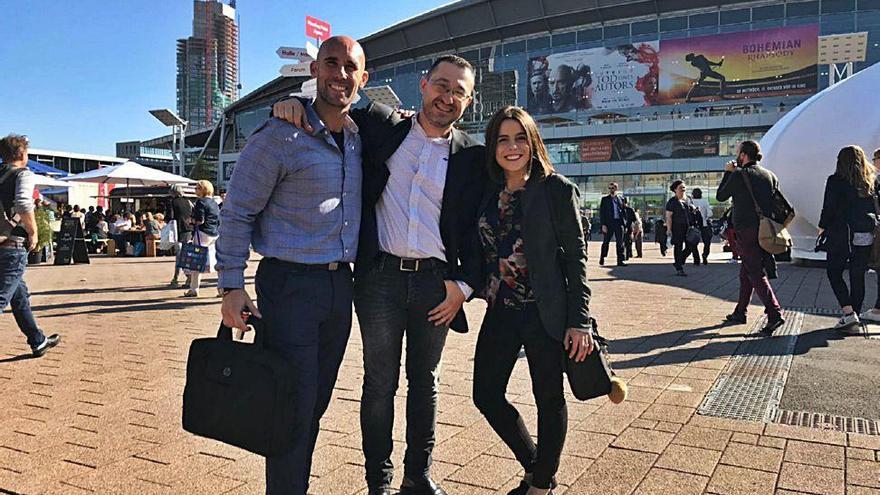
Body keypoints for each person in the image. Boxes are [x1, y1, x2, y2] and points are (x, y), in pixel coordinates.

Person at [273, 54, 486, 495]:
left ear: (469, 101)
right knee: (379, 383)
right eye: (441, 85)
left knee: (425, 383)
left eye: (458, 91)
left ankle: (418, 475)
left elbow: (486, 232)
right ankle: (380, 481)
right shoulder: (380, 125)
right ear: (424, 85)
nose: (447, 97)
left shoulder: (473, 156)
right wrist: (292, 99)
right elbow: (334, 96)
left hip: (436, 285)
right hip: (380, 279)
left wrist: (464, 287)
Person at [217, 36, 368, 495]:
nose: (340, 74)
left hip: (340, 288)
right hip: (289, 287)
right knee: (292, 405)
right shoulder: (278, 136)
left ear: (364, 77)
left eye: (350, 67)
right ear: (314, 70)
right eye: (331, 63)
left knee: (314, 404)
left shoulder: (361, 139)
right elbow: (237, 210)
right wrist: (230, 286)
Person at [473, 106, 593, 495]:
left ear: (533, 142)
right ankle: (537, 463)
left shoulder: (557, 189)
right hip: (502, 309)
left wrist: (580, 321)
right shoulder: (488, 192)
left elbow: (576, 258)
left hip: (545, 310)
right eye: (503, 139)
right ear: (493, 146)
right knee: (485, 394)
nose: (512, 147)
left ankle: (540, 485)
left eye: (520, 138)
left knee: (548, 397)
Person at [0, 134, 60, 357]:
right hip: (12, 244)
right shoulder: (23, 174)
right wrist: (33, 232)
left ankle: (38, 341)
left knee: (19, 295)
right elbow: (24, 203)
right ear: (23, 154)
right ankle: (37, 341)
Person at [716, 140, 784, 334]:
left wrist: (728, 172)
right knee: (746, 271)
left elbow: (721, 195)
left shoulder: (739, 174)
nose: (737, 156)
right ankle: (740, 311)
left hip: (746, 229)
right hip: (765, 229)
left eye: (738, 153)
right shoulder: (769, 175)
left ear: (743, 155)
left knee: (754, 271)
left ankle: (774, 313)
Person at [819, 146, 880, 332]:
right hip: (866, 233)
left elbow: (828, 207)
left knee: (834, 272)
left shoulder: (835, 180)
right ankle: (855, 313)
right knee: (857, 275)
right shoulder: (870, 181)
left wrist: (822, 227)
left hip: (842, 234)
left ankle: (848, 312)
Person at [184, 180, 220, 297]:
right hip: (214, 233)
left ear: (202, 190)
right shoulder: (214, 203)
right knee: (216, 261)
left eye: (197, 188)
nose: (195, 190)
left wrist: (191, 221)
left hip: (202, 233)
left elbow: (200, 220)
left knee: (196, 262)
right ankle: (222, 288)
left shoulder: (200, 202)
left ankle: (194, 289)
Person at [666, 180, 697, 276]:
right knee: (678, 247)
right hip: (677, 227)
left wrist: (694, 210)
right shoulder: (672, 202)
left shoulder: (688, 199)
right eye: (680, 188)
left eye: (684, 188)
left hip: (688, 227)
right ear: (675, 190)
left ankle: (679, 261)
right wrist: (669, 229)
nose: (683, 189)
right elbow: (669, 217)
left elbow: (692, 212)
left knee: (691, 246)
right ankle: (679, 267)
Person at [168, 184, 194, 286]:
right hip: (188, 230)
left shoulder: (173, 202)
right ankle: (183, 277)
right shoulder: (188, 201)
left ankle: (181, 277)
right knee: (186, 254)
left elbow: (170, 216)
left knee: (179, 255)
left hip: (178, 230)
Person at [598, 182, 626, 266]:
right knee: (606, 242)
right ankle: (602, 257)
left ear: (616, 188)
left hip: (618, 223)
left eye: (613, 188)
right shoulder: (605, 199)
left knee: (620, 242)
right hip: (609, 223)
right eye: (609, 188)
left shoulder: (621, 199)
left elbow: (624, 211)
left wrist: (625, 223)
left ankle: (620, 261)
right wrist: (603, 225)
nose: (611, 190)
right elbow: (602, 213)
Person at [690, 188, 713, 264]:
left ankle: (696, 259)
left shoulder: (690, 202)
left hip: (694, 225)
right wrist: (705, 218)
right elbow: (710, 213)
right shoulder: (705, 201)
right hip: (704, 224)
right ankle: (705, 255)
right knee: (707, 242)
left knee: (693, 242)